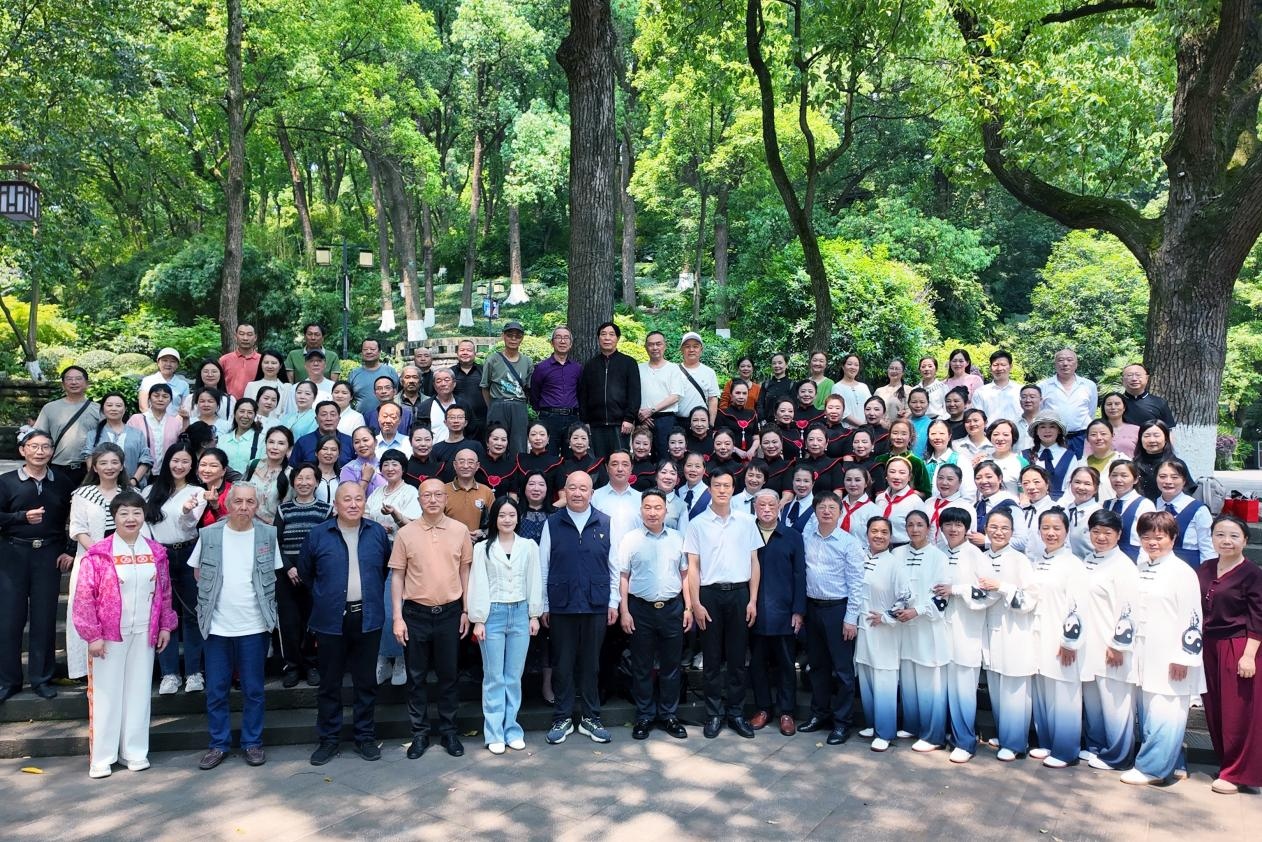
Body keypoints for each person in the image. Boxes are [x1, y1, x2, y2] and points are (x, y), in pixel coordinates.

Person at [73, 491, 177, 778]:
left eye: (136, 513)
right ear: (114, 517)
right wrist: (92, 635)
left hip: (144, 632)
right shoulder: (99, 553)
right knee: (106, 695)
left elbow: (165, 591)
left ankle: (134, 751)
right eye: (124, 513)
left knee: (139, 693)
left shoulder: (156, 552)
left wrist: (165, 625)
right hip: (108, 637)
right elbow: (84, 597)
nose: (131, 518)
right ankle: (102, 757)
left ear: (144, 516)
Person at [190, 482, 282, 770]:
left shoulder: (268, 534)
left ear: (258, 505)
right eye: (238, 501)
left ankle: (252, 742)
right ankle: (218, 744)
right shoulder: (209, 534)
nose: (244, 507)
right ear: (228, 504)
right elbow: (197, 573)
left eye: (250, 502)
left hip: (254, 626)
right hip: (217, 627)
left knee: (253, 689)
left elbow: (272, 575)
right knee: (216, 690)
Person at [301, 482, 392, 766]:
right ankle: (329, 739)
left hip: (367, 617)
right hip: (330, 620)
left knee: (366, 682)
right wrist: (326, 597)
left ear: (365, 503)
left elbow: (384, 569)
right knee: (330, 683)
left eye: (358, 499)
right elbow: (306, 573)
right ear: (336, 504)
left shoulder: (377, 533)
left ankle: (365, 737)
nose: (353, 504)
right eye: (347, 499)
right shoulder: (318, 534)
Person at [390, 478, 473, 760]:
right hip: (415, 614)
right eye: (427, 495)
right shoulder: (406, 533)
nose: (433, 499)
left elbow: (465, 572)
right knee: (416, 678)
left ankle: (449, 732)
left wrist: (466, 610)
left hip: (450, 613)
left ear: (446, 499)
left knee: (449, 676)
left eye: (438, 494)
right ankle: (420, 734)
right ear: (419, 500)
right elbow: (397, 576)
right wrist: (397, 617)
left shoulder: (460, 531)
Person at [1122, 511, 1205, 786]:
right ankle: (1168, 763)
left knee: (1167, 709)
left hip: (1171, 654)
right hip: (1144, 650)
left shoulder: (1182, 573)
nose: (1152, 542)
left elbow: (1192, 618)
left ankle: (1153, 769)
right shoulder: (1141, 567)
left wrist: (1184, 657)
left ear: (1173, 537)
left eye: (1159, 537)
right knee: (1151, 709)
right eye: (1146, 537)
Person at [539, 471, 618, 744]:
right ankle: (562, 717)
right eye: (572, 488)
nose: (577, 493)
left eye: (583, 488)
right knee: (562, 664)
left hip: (596, 604)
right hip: (562, 605)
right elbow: (543, 566)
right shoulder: (552, 523)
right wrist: (544, 604)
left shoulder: (605, 522)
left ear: (591, 493)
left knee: (591, 664)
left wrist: (614, 602)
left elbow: (614, 567)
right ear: (564, 491)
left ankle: (590, 718)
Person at [0, 430, 76, 702]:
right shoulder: (6, 482)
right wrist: (21, 517)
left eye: (45, 447)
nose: (40, 452)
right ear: (23, 450)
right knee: (9, 619)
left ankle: (42, 678)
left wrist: (70, 549)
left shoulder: (62, 482)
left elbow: (76, 518)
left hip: (49, 554)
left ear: (53, 451)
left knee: (44, 619)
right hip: (13, 553)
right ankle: (8, 681)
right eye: (33, 446)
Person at [685, 468, 762, 739]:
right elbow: (693, 567)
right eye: (717, 485)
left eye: (727, 485)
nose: (722, 490)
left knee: (738, 658)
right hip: (710, 595)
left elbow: (754, 562)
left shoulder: (747, 522)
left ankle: (736, 713)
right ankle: (714, 714)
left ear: (733, 489)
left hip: (740, 594)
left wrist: (753, 600)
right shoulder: (697, 524)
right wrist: (695, 603)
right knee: (712, 658)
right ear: (710, 489)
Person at [469, 496, 543, 754]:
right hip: (493, 614)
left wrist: (534, 615)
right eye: (502, 515)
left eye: (512, 515)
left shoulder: (529, 546)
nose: (507, 519)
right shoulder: (483, 548)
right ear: (494, 519)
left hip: (521, 613)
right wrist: (478, 620)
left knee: (513, 677)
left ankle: (512, 729)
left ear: (518, 517)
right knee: (494, 677)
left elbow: (534, 580)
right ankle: (494, 733)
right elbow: (477, 583)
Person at [618, 489, 691, 741]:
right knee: (642, 666)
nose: (652, 512)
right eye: (647, 507)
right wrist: (624, 611)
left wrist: (688, 608)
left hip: (672, 608)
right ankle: (644, 716)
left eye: (657, 507)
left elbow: (685, 575)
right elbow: (623, 576)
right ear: (641, 510)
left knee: (671, 665)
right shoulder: (630, 539)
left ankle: (669, 715)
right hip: (640, 610)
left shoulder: (678, 538)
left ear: (665, 511)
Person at [1197, 514, 1262, 794]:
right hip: (1208, 647)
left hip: (1238, 647)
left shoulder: (1252, 574)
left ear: (1245, 541)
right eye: (1220, 534)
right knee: (1215, 708)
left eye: (1234, 536)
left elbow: (1258, 617)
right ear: (1211, 538)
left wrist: (1248, 656)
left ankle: (1237, 773)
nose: (1226, 541)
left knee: (1238, 713)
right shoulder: (1205, 568)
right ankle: (1227, 764)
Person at [144, 442, 209, 695]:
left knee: (192, 613)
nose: (179, 466)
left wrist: (185, 511)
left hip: (189, 553)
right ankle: (169, 673)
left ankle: (194, 672)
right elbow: (145, 527)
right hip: (160, 555)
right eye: (175, 460)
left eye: (185, 461)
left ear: (192, 466)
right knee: (165, 615)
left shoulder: (197, 492)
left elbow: (189, 525)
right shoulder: (150, 491)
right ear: (167, 461)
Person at [1078, 508, 1140, 773]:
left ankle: (1118, 756)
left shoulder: (1123, 567)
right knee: (1094, 703)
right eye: (1096, 531)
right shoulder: (1089, 559)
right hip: (1088, 644)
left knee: (1115, 704)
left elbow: (1129, 610)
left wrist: (1118, 645)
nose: (1101, 537)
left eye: (1107, 532)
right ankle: (1096, 746)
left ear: (1119, 534)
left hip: (1110, 646)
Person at [977, 507, 1038, 761]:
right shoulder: (981, 557)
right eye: (993, 527)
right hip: (990, 627)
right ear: (985, 529)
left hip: (1014, 629)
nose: (999, 532)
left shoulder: (1019, 560)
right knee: (996, 684)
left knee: (1014, 687)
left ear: (1012, 532)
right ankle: (1004, 734)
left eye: (1004, 528)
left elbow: (1030, 598)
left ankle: (1015, 743)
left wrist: (1002, 587)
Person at [1027, 508, 1086, 769]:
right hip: (1038, 634)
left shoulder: (1073, 565)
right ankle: (1047, 741)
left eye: (1056, 528)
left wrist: (1070, 642)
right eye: (1045, 528)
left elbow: (1078, 606)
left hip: (1060, 637)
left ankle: (1066, 750)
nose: (1051, 533)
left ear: (1067, 531)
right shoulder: (1039, 560)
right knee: (1043, 690)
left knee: (1064, 694)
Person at [932, 506, 992, 763]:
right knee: (941, 685)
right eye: (948, 524)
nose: (953, 529)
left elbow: (989, 592)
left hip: (966, 629)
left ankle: (965, 742)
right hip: (940, 628)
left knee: (963, 688)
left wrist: (956, 590)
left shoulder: (976, 555)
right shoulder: (938, 552)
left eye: (959, 525)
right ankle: (942, 735)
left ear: (967, 529)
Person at [66, 443, 130, 680]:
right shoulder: (82, 495)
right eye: (103, 463)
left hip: (124, 563)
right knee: (86, 611)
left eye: (114, 462)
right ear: (94, 466)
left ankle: (118, 665)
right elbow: (78, 529)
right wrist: (101, 555)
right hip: (91, 561)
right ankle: (85, 669)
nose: (109, 467)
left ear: (121, 465)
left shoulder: (129, 494)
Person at [747, 489, 805, 737]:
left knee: (785, 664)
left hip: (784, 611)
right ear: (755, 508)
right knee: (757, 663)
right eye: (762, 505)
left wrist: (798, 610)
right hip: (754, 610)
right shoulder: (747, 534)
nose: (767, 509)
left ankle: (786, 712)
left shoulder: (792, 536)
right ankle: (763, 709)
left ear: (779, 507)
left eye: (771, 505)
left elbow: (800, 575)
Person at [895, 510, 950, 753]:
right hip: (904, 628)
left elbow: (941, 597)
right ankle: (912, 725)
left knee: (930, 682)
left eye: (920, 525)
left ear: (928, 528)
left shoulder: (938, 557)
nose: (915, 529)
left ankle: (933, 735)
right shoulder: (897, 553)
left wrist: (917, 610)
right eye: (910, 525)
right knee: (908, 677)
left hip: (928, 626)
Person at [363, 449, 418, 686]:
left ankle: (400, 658)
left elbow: (414, 526)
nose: (390, 468)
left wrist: (395, 515)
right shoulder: (376, 492)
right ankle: (383, 657)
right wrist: (376, 527)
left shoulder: (411, 492)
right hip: (376, 555)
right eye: (386, 464)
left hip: (401, 555)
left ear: (403, 468)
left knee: (393, 609)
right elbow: (365, 518)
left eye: (395, 464)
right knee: (376, 608)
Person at [854, 516, 906, 752]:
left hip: (884, 630)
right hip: (862, 629)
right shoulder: (860, 557)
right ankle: (872, 724)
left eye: (884, 532)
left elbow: (906, 597)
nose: (879, 536)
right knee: (866, 676)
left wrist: (886, 616)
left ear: (890, 536)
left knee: (884, 679)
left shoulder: (894, 564)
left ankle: (885, 732)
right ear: (867, 534)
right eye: (874, 531)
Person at [274, 464, 326, 690]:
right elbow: (274, 542)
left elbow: (326, 544)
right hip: (287, 574)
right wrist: (288, 567)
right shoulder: (283, 509)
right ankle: (292, 666)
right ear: (293, 482)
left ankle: (311, 665)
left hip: (314, 574)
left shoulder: (326, 510)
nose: (304, 482)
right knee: (289, 622)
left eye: (309, 478)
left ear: (317, 482)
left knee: (313, 621)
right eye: (299, 478)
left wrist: (308, 569)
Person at [578, 321, 641, 457]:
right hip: (595, 425)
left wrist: (629, 418)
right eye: (603, 334)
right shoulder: (590, 365)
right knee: (597, 463)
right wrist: (585, 421)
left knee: (619, 461)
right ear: (598, 338)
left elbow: (634, 394)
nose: (607, 338)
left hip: (620, 425)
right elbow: (583, 395)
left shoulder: (629, 363)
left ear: (617, 338)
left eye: (611, 334)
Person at [36, 365, 101, 490]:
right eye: (69, 379)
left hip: (88, 469)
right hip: (56, 467)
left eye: (78, 378)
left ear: (87, 383)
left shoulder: (98, 409)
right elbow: (39, 437)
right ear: (63, 384)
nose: (74, 382)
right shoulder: (50, 408)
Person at [481, 321, 534, 454]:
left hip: (518, 405)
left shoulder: (527, 361)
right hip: (498, 403)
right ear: (503, 336)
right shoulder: (493, 359)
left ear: (522, 338)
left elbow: (528, 387)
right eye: (510, 335)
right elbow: (485, 386)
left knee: (519, 445)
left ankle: (518, 467)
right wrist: (492, 406)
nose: (513, 339)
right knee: (496, 443)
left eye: (517, 336)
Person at [529, 326, 582, 456]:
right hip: (549, 418)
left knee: (571, 457)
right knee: (548, 457)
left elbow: (581, 392)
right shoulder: (541, 368)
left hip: (572, 418)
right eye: (558, 337)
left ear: (571, 343)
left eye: (566, 338)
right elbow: (534, 393)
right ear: (552, 342)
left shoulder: (577, 368)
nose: (562, 341)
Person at [82, 393, 152, 486]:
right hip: (101, 486)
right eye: (109, 405)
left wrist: (134, 481)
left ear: (125, 409)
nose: (114, 408)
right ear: (102, 409)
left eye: (118, 405)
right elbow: (89, 461)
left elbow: (145, 459)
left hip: (132, 486)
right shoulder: (92, 435)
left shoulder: (137, 434)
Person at [1038, 348, 1097, 457]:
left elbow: (1091, 412)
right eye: (1061, 360)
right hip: (1054, 437)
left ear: (1076, 364)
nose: (1065, 363)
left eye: (1069, 360)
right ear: (1055, 364)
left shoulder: (1089, 385)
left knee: (1082, 465)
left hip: (1082, 437)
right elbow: (1040, 413)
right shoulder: (1043, 386)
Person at [1154, 459, 1213, 567]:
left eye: (1174, 477)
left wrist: (1207, 573)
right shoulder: (1150, 506)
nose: (1168, 481)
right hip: (1156, 564)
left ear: (1184, 480)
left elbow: (1208, 547)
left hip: (1189, 566)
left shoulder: (1199, 509)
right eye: (1162, 476)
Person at [637, 330, 685, 459]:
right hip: (643, 419)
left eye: (658, 344)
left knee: (664, 456)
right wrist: (641, 413)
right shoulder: (639, 368)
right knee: (643, 456)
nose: (655, 347)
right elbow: (632, 394)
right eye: (651, 344)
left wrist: (651, 410)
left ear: (665, 345)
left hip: (666, 419)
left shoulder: (673, 368)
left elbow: (675, 396)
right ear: (646, 347)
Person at [127, 384, 184, 478]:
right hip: (140, 474)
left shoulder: (176, 422)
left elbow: (181, 446)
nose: (160, 399)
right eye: (156, 396)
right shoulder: (136, 419)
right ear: (149, 398)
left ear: (170, 400)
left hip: (167, 474)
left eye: (165, 396)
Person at [1104, 460, 1156, 562]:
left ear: (1135, 479)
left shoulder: (1144, 505)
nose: (1118, 479)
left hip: (1134, 558)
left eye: (1124, 476)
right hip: (1108, 558)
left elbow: (1150, 537)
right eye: (1114, 475)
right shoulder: (1107, 504)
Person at [1023, 411, 1081, 499]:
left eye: (1052, 427)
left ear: (1059, 431)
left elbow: (1072, 486)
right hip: (1031, 502)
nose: (1047, 431)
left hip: (1061, 503)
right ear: (1036, 431)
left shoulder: (1069, 456)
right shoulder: (1025, 455)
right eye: (1042, 427)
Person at [873, 457, 926, 548]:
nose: (897, 477)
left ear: (909, 477)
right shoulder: (880, 498)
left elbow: (922, 532)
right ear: (886, 476)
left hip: (905, 549)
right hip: (879, 547)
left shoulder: (915, 501)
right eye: (892, 472)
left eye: (902, 473)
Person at [445, 448, 494, 540]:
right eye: (461, 462)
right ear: (455, 465)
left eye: (470, 462)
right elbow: (434, 522)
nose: (466, 466)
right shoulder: (442, 491)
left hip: (478, 545)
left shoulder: (487, 492)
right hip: (449, 544)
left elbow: (496, 523)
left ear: (477, 466)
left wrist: (483, 532)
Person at [345, 338, 398, 419]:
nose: (369, 352)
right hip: (361, 420)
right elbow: (348, 398)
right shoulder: (354, 374)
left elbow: (397, 394)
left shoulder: (390, 371)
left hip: (388, 419)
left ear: (379, 352)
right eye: (365, 349)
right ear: (361, 352)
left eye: (372, 349)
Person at [290, 401, 353, 468]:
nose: (328, 419)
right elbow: (292, 468)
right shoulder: (303, 442)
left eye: (332, 415)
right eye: (324, 414)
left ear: (339, 419)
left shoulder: (350, 442)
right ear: (316, 419)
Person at [677, 332, 721, 425]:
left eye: (695, 346)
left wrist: (711, 424)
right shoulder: (674, 371)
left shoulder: (709, 372)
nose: (691, 350)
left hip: (701, 424)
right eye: (687, 346)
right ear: (682, 350)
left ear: (701, 349)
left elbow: (712, 399)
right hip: (678, 422)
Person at [1061, 466, 1103, 557]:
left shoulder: (1098, 514)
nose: (1081, 487)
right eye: (1077, 482)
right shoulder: (1064, 510)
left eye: (1087, 484)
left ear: (1096, 488)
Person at [418, 368, 467, 445]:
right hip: (434, 450)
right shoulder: (425, 406)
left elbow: (472, 430)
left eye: (447, 380)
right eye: (438, 381)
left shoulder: (463, 404)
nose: (443, 384)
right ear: (434, 385)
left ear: (454, 383)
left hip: (461, 449)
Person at [1121, 363, 1177, 429]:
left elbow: (1169, 430)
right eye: (1129, 375)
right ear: (1122, 379)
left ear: (1147, 378)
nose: (1134, 379)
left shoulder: (1160, 403)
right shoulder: (1115, 403)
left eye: (1138, 375)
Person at [973, 350, 1022, 426]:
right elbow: (977, 417)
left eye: (1003, 364)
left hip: (1017, 432)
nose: (999, 368)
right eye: (995, 365)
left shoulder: (1020, 390)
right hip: (989, 432)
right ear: (990, 368)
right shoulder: (981, 392)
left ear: (1010, 367)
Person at [1133, 419, 1178, 500]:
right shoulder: (1133, 464)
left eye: (1156, 435)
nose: (1152, 440)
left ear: (1166, 438)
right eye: (1147, 436)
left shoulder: (1176, 464)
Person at [451, 339, 487, 439]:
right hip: (457, 422)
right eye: (462, 350)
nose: (465, 353)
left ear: (475, 353)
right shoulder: (450, 373)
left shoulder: (484, 371)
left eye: (469, 350)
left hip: (482, 421)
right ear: (457, 353)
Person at [218, 399, 265, 475]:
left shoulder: (262, 440)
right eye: (242, 411)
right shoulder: (222, 439)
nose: (245, 416)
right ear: (234, 413)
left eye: (250, 412)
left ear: (255, 416)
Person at [244, 349, 296, 417]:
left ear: (280, 366)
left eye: (274, 363)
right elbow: (246, 409)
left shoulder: (287, 387)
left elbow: (289, 412)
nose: (270, 366)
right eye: (266, 362)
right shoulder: (251, 386)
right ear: (261, 364)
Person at [139, 348, 190, 415]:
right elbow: (143, 407)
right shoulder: (148, 381)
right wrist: (153, 419)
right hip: (150, 419)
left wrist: (176, 420)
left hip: (175, 420)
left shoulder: (183, 385)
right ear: (158, 363)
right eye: (164, 360)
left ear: (177, 365)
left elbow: (184, 409)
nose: (168, 364)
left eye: (173, 361)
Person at [218, 323, 260, 400]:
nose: (245, 338)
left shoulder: (262, 361)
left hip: (255, 404)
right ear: (235, 336)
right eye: (241, 334)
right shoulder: (224, 360)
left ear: (255, 337)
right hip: (229, 403)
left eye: (249, 334)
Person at [341, 426, 385, 498]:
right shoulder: (349, 469)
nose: (361, 445)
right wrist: (365, 479)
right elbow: (350, 498)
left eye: (365, 440)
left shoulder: (385, 465)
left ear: (375, 442)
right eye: (357, 442)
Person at [830, 354, 870, 427]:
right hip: (846, 430)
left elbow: (871, 406)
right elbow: (843, 413)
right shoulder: (837, 387)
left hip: (866, 430)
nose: (853, 367)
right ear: (843, 367)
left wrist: (867, 427)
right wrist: (863, 426)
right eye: (849, 364)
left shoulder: (864, 387)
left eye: (856, 365)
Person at [1101, 393, 1140, 457]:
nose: (1113, 407)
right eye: (1109, 404)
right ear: (1103, 408)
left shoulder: (1136, 430)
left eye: (1117, 404)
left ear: (1124, 407)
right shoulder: (1096, 429)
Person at [873, 359, 909, 424]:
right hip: (880, 426)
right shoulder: (879, 391)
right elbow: (873, 409)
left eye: (897, 369)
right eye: (891, 368)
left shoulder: (908, 390)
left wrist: (904, 415)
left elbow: (910, 411)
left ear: (903, 372)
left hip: (899, 426)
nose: (894, 371)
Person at [758, 353, 794, 420]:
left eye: (780, 363)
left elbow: (795, 405)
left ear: (786, 365)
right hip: (768, 423)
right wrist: (762, 420)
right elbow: (760, 405)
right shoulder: (766, 384)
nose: (777, 365)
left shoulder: (792, 384)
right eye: (774, 363)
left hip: (786, 422)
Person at [916, 356, 947, 420]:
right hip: (919, 421)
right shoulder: (915, 389)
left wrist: (940, 421)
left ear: (936, 369)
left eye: (930, 366)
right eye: (923, 367)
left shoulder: (942, 387)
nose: (926, 369)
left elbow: (947, 409)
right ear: (919, 370)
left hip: (938, 421)